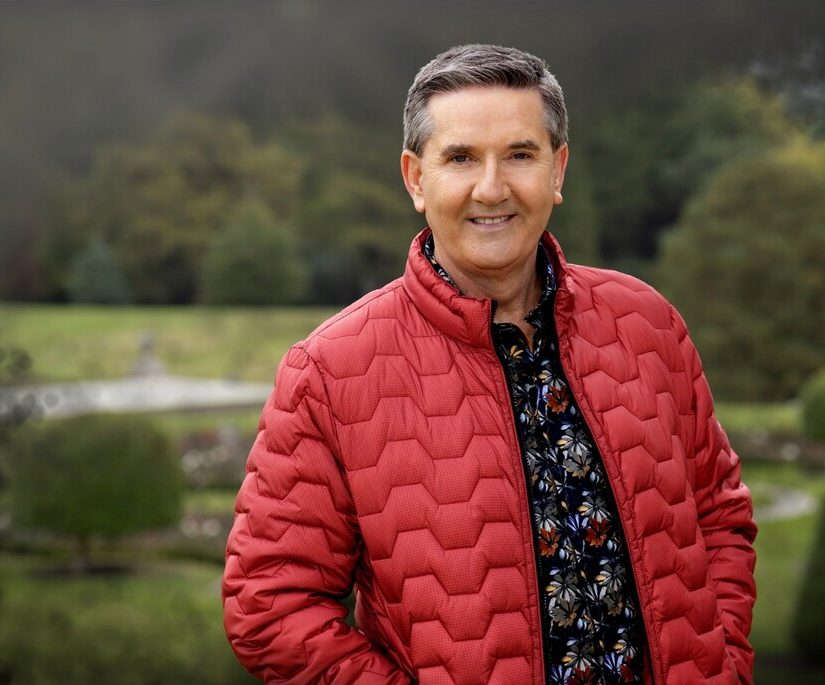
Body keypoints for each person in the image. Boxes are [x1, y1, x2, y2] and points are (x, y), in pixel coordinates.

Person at [223, 44, 756, 685]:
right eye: (461, 158)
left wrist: (721, 663)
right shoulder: (331, 373)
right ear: (416, 179)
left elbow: (719, 515)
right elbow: (270, 605)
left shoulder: (647, 323)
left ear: (557, 171)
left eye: (521, 155)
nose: (492, 188)